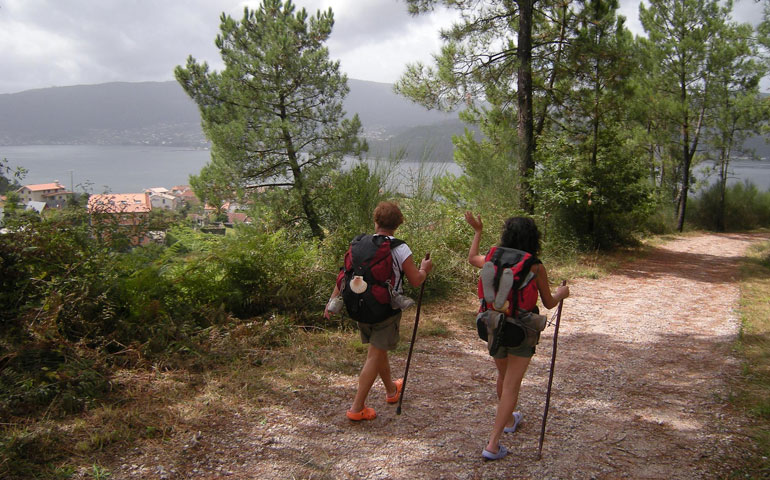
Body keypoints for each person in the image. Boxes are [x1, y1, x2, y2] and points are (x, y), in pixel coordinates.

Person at [465, 211, 569, 460]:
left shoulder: (493, 255)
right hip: (520, 330)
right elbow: (548, 302)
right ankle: (492, 444)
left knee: (503, 375)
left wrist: (477, 231)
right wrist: (562, 293)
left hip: (491, 324)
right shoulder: (534, 264)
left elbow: (471, 259)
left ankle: (510, 418)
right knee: (512, 384)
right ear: (533, 239)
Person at [324, 201, 433, 421]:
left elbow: (345, 274)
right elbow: (415, 280)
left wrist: (332, 302)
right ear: (398, 224)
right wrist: (424, 269)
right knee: (375, 354)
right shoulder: (400, 248)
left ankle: (392, 390)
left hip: (359, 306)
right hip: (385, 309)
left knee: (378, 349)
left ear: (376, 221)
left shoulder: (358, 245)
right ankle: (357, 408)